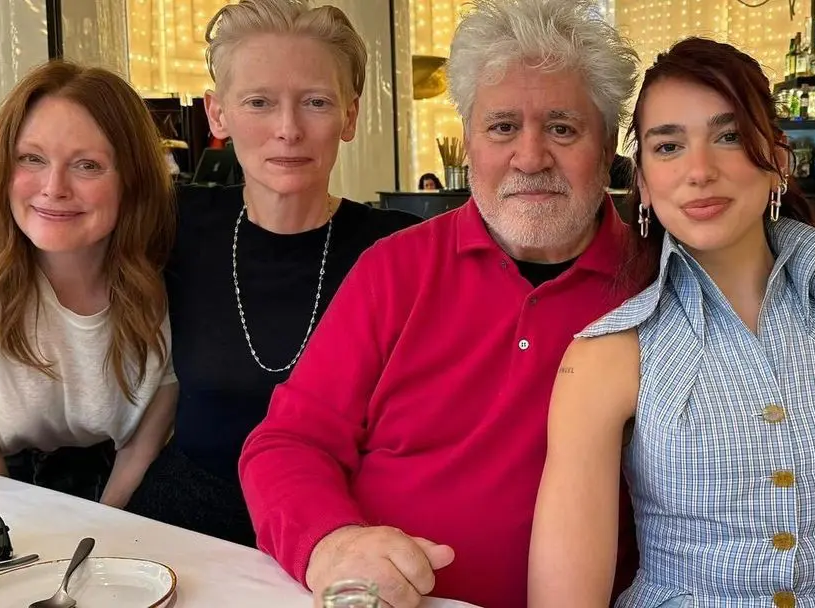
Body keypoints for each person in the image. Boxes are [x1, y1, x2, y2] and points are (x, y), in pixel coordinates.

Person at [528, 37, 815, 608]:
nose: (700, 170)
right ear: (643, 183)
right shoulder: (609, 354)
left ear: (778, 161)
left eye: (728, 136)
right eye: (668, 146)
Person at [237, 1, 645, 607]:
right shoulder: (396, 269)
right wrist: (332, 543)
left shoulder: (656, 284)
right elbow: (289, 444)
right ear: (470, 139)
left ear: (608, 143)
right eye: (502, 127)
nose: (530, 158)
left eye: (562, 127)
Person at [124, 0, 421, 546]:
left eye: (315, 102)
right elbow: (50, 228)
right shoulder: (170, 223)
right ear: (218, 114)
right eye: (259, 102)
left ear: (350, 116)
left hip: (341, 530)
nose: (288, 129)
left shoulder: (401, 247)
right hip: (185, 527)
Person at [0, 60, 177, 507]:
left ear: (132, 181)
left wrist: (105, 525)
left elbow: (144, 442)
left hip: (102, 464)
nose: (53, 188)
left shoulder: (172, 271)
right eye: (31, 158)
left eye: (88, 165)